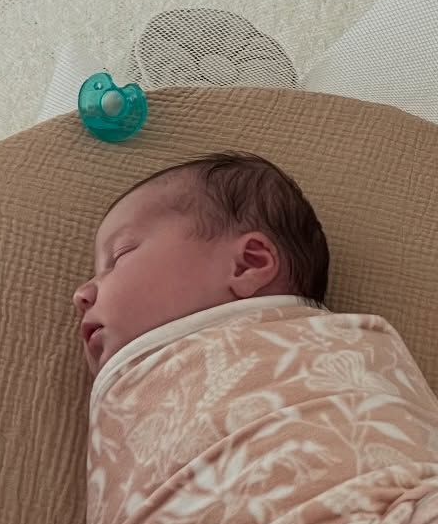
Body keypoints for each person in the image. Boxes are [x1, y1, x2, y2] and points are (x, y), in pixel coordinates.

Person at [73, 152, 330, 377]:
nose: (81, 294)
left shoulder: (328, 349)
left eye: (120, 254)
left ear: (246, 265)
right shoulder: (124, 394)